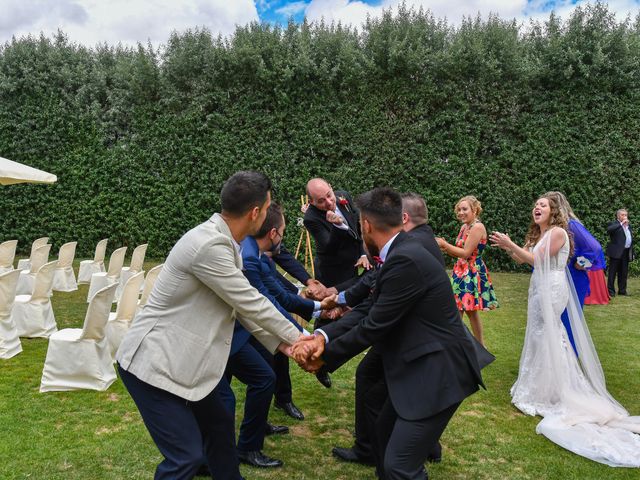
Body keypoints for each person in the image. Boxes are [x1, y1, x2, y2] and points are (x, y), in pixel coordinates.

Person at [115, 171, 302, 480]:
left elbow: (238, 309)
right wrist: (300, 339)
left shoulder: (225, 241)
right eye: (268, 208)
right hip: (152, 366)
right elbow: (250, 302)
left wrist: (284, 345)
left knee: (219, 429)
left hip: (188, 365)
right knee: (186, 457)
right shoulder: (209, 245)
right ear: (255, 212)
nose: (269, 214)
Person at [294, 187, 484, 480]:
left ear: (366, 225)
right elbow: (370, 306)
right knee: (383, 435)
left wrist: (323, 357)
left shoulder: (404, 257)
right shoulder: (399, 250)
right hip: (418, 363)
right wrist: (323, 338)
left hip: (438, 372)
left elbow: (375, 324)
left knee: (399, 467)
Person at [490, 194, 640, 467]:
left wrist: (511, 244)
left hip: (552, 287)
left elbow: (537, 260)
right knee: (538, 334)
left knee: (549, 334)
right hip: (539, 286)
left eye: (542, 205)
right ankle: (540, 387)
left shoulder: (558, 232)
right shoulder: (542, 233)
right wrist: (507, 247)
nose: (537, 208)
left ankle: (557, 390)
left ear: (553, 211)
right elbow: (523, 259)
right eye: (535, 205)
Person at [241, 203, 332, 422]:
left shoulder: (259, 251)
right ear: (272, 233)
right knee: (263, 376)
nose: (282, 237)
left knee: (270, 369)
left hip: (259, 319)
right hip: (245, 326)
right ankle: (252, 437)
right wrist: (303, 334)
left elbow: (277, 284)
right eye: (282, 232)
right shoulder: (251, 257)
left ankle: (280, 402)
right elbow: (271, 300)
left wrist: (310, 296)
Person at [546, 191, 607, 352]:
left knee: (568, 321)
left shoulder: (571, 225)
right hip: (559, 278)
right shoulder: (554, 228)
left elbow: (595, 247)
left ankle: (568, 360)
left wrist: (582, 262)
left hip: (573, 278)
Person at [436, 195, 498, 346]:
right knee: (468, 310)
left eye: (464, 209)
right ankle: (479, 346)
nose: (460, 212)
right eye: (459, 210)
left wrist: (444, 244)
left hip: (471, 272)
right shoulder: (464, 227)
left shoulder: (478, 227)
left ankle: (453, 345)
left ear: (475, 210)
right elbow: (458, 251)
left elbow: (465, 253)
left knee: (460, 310)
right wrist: (444, 248)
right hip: (461, 270)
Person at [303, 178, 370, 293]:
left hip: (356, 262)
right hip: (334, 271)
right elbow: (330, 248)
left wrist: (364, 254)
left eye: (329, 195)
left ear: (330, 187)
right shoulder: (310, 218)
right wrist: (338, 226)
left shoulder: (344, 196)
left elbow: (360, 227)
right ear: (311, 202)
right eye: (321, 201)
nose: (329, 202)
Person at [606, 208, 634, 297]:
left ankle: (622, 291)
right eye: (623, 215)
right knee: (612, 272)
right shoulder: (614, 224)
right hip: (616, 252)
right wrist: (621, 224)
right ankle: (611, 291)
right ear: (618, 216)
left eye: (626, 215)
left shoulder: (629, 226)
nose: (625, 216)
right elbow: (609, 230)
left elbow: (630, 239)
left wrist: (632, 252)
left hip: (625, 252)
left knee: (623, 272)